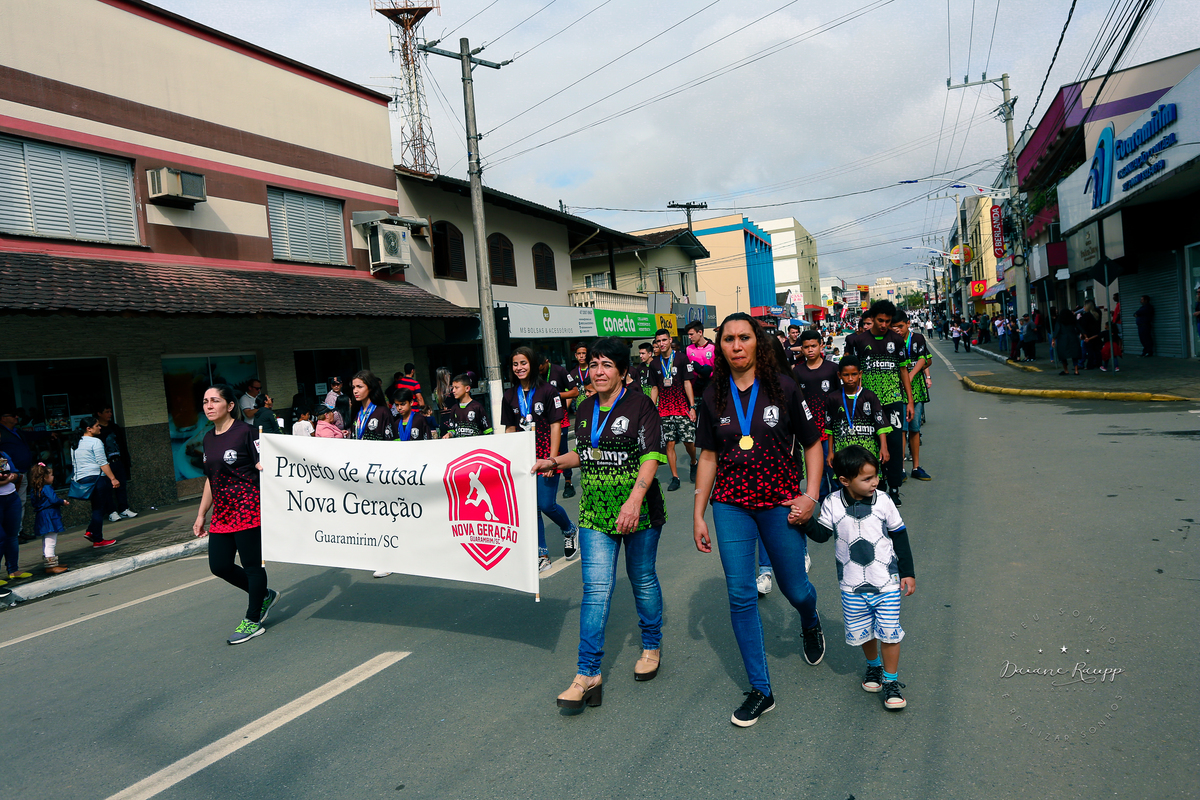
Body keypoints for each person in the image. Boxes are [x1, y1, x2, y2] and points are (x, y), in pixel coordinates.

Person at [692, 313, 827, 727]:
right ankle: (760, 690)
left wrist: (810, 496)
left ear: (757, 343)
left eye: (744, 338)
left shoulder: (784, 387)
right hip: (730, 505)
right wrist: (698, 513)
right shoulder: (712, 395)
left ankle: (810, 620)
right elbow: (708, 456)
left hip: (779, 503)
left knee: (795, 588)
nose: (736, 345)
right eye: (728, 339)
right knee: (740, 595)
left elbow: (813, 444)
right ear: (720, 347)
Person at [532, 337, 667, 711]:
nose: (599, 371)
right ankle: (588, 674)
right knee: (595, 589)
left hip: (638, 511)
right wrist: (554, 462)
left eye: (607, 364)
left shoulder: (641, 405)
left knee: (642, 579)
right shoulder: (585, 407)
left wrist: (634, 501)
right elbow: (587, 452)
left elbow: (651, 457)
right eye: (594, 364)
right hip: (595, 512)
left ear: (622, 371)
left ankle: (651, 645)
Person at [809, 445, 915, 710]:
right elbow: (821, 535)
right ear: (845, 480)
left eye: (875, 476)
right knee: (864, 631)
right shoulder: (832, 503)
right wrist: (803, 520)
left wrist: (908, 573)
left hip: (886, 583)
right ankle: (873, 666)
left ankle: (891, 681)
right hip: (852, 586)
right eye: (867, 478)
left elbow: (899, 535)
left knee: (889, 633)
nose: (874, 482)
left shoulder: (884, 501)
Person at [192, 385, 278, 645]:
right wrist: (201, 514)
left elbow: (270, 467)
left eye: (215, 400)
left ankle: (253, 619)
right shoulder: (208, 438)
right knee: (219, 566)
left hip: (248, 509)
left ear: (230, 405)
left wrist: (266, 466)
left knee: (252, 567)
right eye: (205, 401)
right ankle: (263, 596)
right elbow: (211, 479)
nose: (209, 406)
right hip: (222, 513)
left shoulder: (247, 433)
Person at [501, 347, 576, 571]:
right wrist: (509, 460)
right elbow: (510, 429)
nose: (519, 368)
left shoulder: (548, 391)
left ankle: (570, 530)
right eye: (515, 364)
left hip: (546, 456)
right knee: (531, 508)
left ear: (532, 364)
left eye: (523, 363)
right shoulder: (509, 395)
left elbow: (555, 426)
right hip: (523, 459)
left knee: (546, 504)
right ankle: (542, 554)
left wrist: (553, 459)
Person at [842, 300, 913, 506]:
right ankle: (876, 486)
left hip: (893, 400)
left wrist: (909, 401)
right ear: (872, 318)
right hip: (868, 401)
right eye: (880, 320)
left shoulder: (896, 340)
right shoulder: (859, 341)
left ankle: (894, 488)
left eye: (888, 321)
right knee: (871, 445)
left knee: (894, 444)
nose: (884, 325)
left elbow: (903, 371)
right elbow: (854, 372)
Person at [791, 329, 840, 499]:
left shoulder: (833, 369)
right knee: (816, 472)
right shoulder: (797, 372)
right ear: (801, 349)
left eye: (813, 346)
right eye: (806, 347)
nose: (810, 350)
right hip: (809, 430)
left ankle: (837, 503)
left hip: (830, 429)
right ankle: (823, 505)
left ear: (821, 346)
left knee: (833, 467)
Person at [649, 328, 697, 491]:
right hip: (664, 409)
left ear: (670, 340)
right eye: (658, 341)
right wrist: (652, 410)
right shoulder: (654, 363)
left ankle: (693, 462)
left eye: (664, 340)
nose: (661, 343)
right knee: (669, 443)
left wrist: (692, 407)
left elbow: (687, 383)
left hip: (682, 407)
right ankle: (675, 477)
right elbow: (654, 388)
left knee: (688, 441)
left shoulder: (682, 358)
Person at [891, 312, 932, 481]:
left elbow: (925, 359)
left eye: (900, 326)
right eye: (894, 327)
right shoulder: (891, 342)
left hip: (916, 389)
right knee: (901, 429)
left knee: (915, 429)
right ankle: (900, 468)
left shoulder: (918, 338)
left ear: (908, 323)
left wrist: (911, 375)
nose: (898, 330)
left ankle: (916, 467)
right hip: (897, 390)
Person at [824, 356, 889, 462]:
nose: (850, 378)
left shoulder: (870, 396)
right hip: (843, 453)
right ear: (839, 375)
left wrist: (884, 447)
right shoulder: (833, 398)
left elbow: (880, 424)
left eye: (854, 374)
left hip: (868, 452)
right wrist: (830, 451)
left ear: (860, 374)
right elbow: (830, 428)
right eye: (846, 375)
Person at [73, 416, 119, 549]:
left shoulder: (76, 442)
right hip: (96, 478)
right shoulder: (96, 442)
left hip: (83, 479)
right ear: (89, 429)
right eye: (97, 426)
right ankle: (98, 539)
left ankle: (91, 531)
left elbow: (75, 463)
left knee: (97, 507)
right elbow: (102, 462)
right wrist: (113, 478)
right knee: (99, 509)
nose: (100, 427)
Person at [541, 357, 578, 498]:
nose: (540, 372)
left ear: (546, 361)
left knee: (562, 451)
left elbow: (575, 392)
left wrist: (555, 395)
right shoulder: (534, 374)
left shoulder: (559, 371)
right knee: (543, 450)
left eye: (542, 368)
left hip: (560, 420)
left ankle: (568, 481)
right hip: (542, 422)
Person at [96, 406, 137, 522]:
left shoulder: (114, 427)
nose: (110, 414)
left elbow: (122, 444)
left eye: (110, 412)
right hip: (105, 463)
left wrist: (126, 461)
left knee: (121, 486)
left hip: (117, 460)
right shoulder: (97, 430)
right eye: (106, 412)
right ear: (99, 413)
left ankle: (124, 508)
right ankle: (111, 511)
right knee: (107, 488)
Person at [28, 462, 69, 574]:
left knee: (46, 540)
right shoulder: (47, 488)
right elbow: (53, 499)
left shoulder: (35, 489)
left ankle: (51, 563)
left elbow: (33, 503)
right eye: (51, 475)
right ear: (45, 477)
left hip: (41, 515)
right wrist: (62, 501)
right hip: (50, 515)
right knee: (51, 540)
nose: (53, 477)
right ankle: (51, 565)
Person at [0, 447, 31, 582]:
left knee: (12, 535)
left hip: (11, 497)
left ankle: (13, 570)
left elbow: (16, 472)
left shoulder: (3, 454)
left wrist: (12, 476)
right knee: (1, 537)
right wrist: (6, 480)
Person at [350, 370, 395, 442]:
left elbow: (391, 440)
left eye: (359, 387)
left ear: (370, 388)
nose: (355, 391)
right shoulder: (357, 412)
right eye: (353, 387)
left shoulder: (383, 412)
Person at [686, 321, 717, 397]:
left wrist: (707, 373)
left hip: (712, 386)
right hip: (695, 388)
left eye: (691, 334)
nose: (689, 337)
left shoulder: (713, 348)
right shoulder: (688, 349)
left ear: (700, 332)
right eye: (688, 335)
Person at [431, 367, 455, 432]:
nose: (450, 376)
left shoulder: (436, 392)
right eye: (449, 374)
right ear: (445, 376)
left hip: (443, 421)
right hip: (454, 419)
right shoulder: (452, 390)